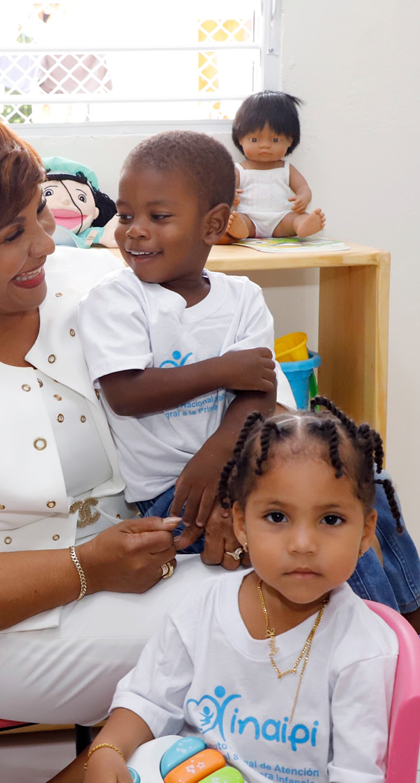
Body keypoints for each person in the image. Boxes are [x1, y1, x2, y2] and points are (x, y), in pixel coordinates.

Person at [0, 103, 258, 754]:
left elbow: (265, 385)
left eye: (39, 209)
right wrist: (85, 567)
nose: (44, 243)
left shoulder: (100, 285)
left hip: (155, 561)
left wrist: (231, 470)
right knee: (272, 622)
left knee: (300, 577)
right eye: (10, 236)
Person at [85, 407, 420, 783]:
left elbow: (356, 774)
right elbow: (148, 698)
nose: (303, 543)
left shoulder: (364, 651)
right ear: (240, 524)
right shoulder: (200, 609)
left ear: (365, 532)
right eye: (277, 516)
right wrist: (107, 752)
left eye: (330, 519)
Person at [78, 131, 293, 539]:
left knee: (357, 487)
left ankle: (402, 606)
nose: (134, 231)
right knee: (295, 533)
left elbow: (259, 390)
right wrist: (223, 371)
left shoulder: (243, 297)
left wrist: (219, 458)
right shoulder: (115, 300)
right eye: (125, 216)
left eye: (158, 217)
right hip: (169, 494)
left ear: (212, 224)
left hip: (238, 469)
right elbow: (126, 394)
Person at [223, 90, 326, 242]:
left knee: (297, 218)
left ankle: (304, 225)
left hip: (282, 218)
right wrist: (230, 197)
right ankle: (240, 229)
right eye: (254, 139)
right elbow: (225, 191)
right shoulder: (239, 170)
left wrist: (303, 197)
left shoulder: (286, 168)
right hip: (250, 217)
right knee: (239, 218)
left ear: (290, 140)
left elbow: (303, 187)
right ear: (240, 139)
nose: (265, 146)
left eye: (275, 140)